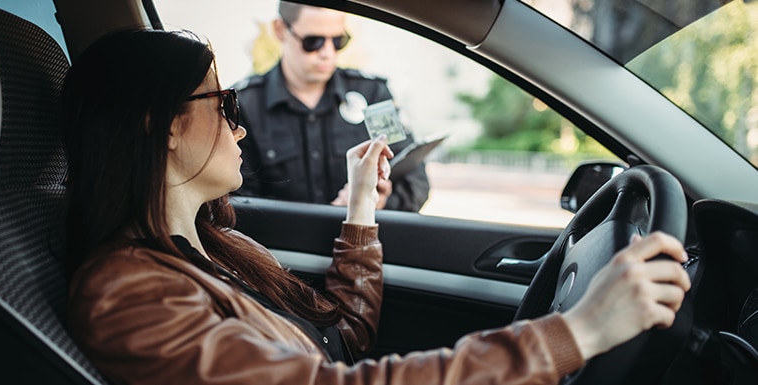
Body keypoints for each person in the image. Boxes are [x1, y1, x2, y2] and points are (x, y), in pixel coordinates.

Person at [62, 29, 692, 385]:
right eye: (221, 106)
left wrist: (361, 205)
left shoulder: (222, 249)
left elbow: (339, 340)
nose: (240, 127)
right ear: (163, 125)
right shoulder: (129, 295)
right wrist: (577, 332)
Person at [232, 2, 430, 212]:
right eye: (313, 42)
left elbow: (415, 181)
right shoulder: (244, 105)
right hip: (280, 244)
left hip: (364, 240)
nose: (327, 53)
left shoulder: (372, 95)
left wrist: (378, 203)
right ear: (280, 29)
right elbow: (238, 203)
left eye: (338, 41)